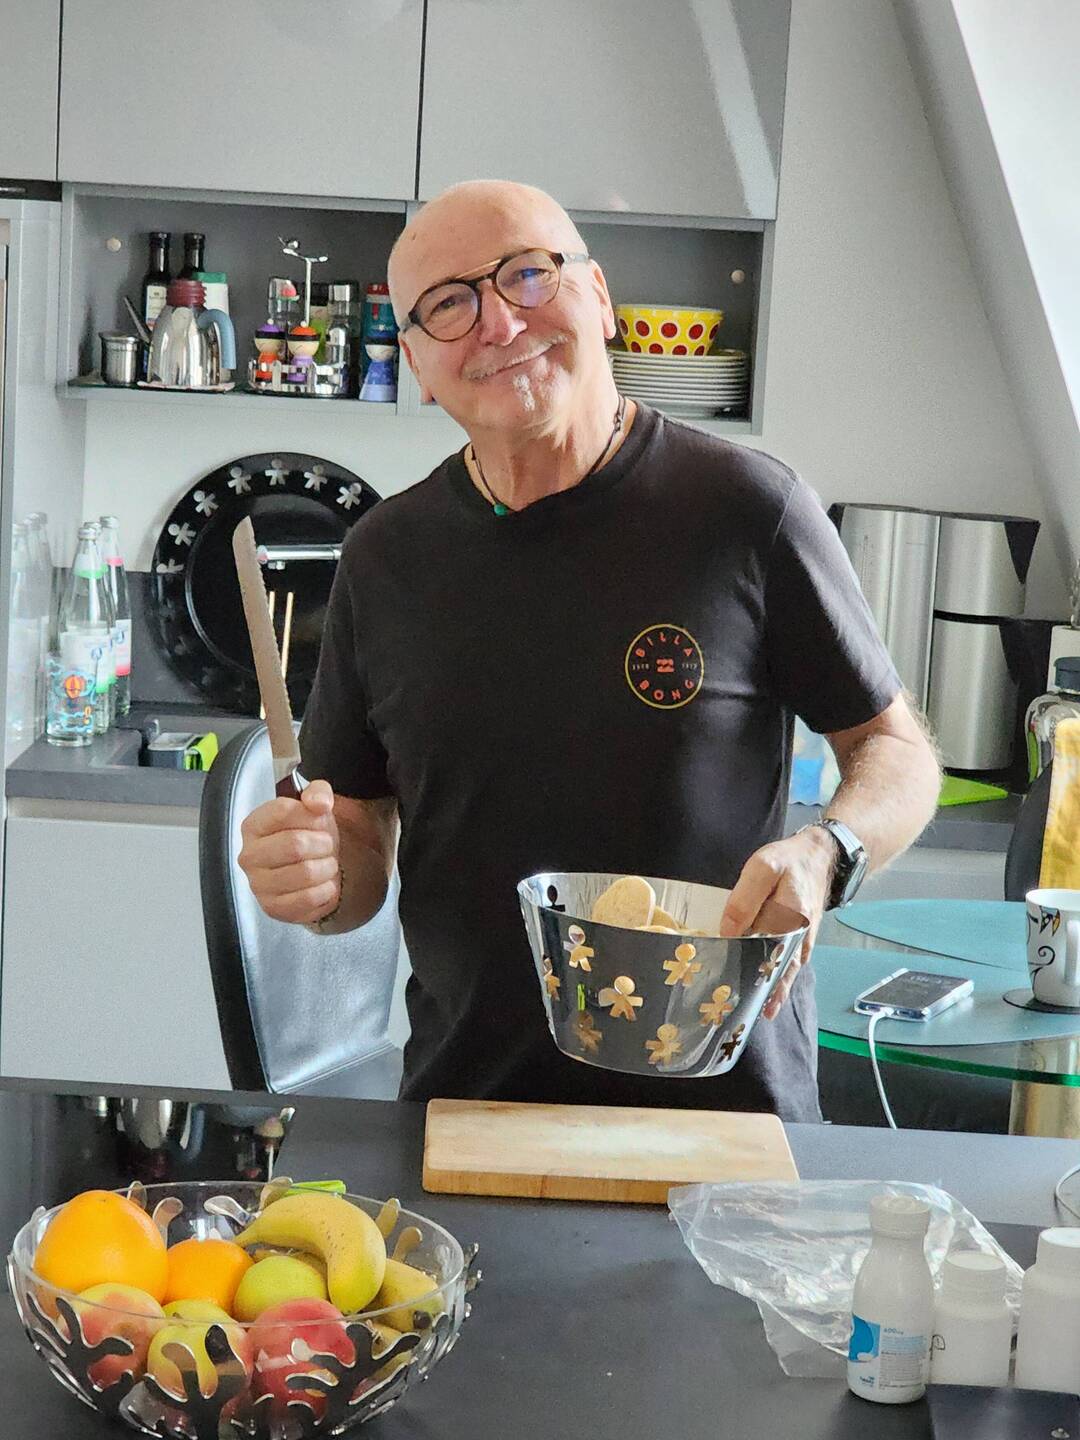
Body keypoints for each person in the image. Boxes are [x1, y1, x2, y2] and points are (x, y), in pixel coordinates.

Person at [238, 179, 941, 1120]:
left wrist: (831, 849)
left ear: (599, 296)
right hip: (470, 1109)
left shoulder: (747, 511)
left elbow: (895, 751)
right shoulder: (386, 557)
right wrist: (318, 879)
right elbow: (359, 834)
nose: (497, 321)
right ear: (415, 359)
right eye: (449, 303)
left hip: (724, 1115)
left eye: (528, 274)